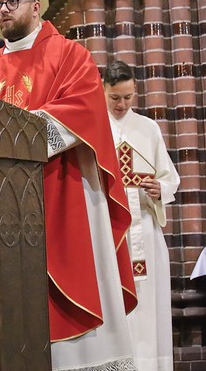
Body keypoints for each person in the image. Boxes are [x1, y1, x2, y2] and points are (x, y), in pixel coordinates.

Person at [0, 0, 138, 370]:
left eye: (12, 2)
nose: (3, 10)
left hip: (59, 189)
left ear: (35, 6)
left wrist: (14, 132)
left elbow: (82, 111)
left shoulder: (69, 54)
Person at [104, 60, 180, 371]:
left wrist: (158, 188)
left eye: (128, 97)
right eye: (115, 97)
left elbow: (170, 178)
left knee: (149, 307)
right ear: (103, 90)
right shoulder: (94, 128)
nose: (122, 104)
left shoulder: (148, 128)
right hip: (108, 231)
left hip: (145, 233)